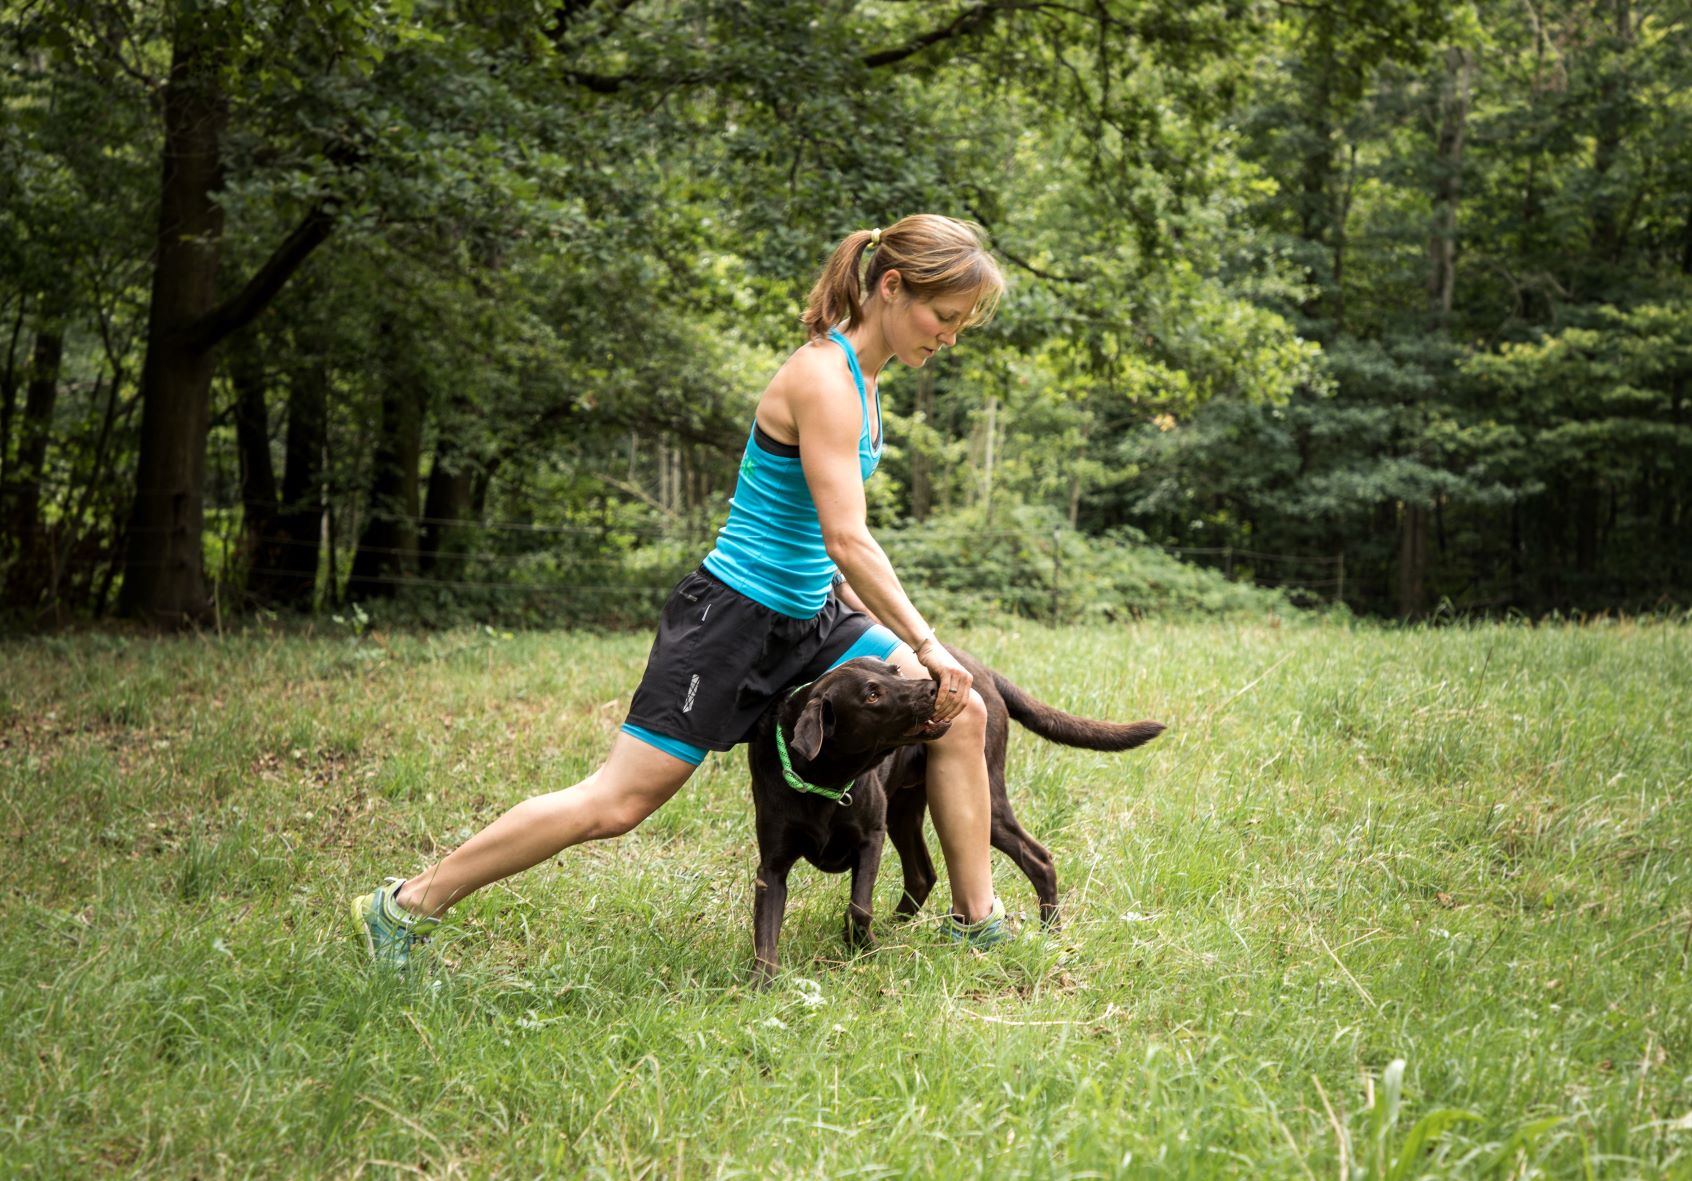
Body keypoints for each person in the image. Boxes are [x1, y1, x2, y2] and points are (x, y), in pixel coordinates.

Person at [352, 214, 1012, 967]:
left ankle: (977, 921)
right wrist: (925, 641)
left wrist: (896, 645)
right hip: (731, 620)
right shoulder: (823, 376)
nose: (950, 336)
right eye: (945, 317)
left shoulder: (868, 380)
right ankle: (405, 905)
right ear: (891, 287)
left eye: (960, 324)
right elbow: (847, 537)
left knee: (960, 711)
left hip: (811, 613)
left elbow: (814, 539)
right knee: (617, 803)